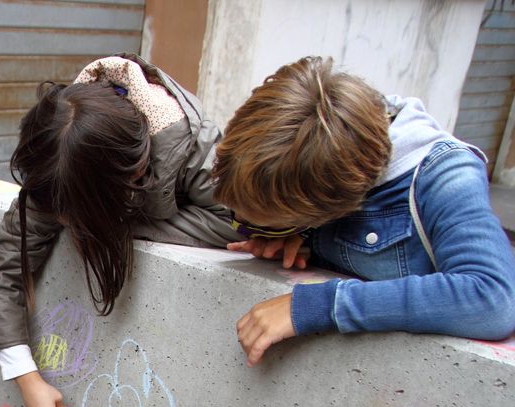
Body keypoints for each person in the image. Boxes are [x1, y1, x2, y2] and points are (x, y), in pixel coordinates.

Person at [0, 53, 241, 407]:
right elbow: (6, 265)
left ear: (133, 175)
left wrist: (124, 225)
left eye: (78, 213)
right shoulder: (61, 158)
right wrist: (26, 376)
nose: (67, 224)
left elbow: (237, 225)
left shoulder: (196, 156)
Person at [213, 56, 515, 366]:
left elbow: (492, 299)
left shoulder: (445, 176)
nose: (246, 227)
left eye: (280, 222)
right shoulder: (329, 157)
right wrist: (305, 243)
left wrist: (317, 306)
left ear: (334, 203)